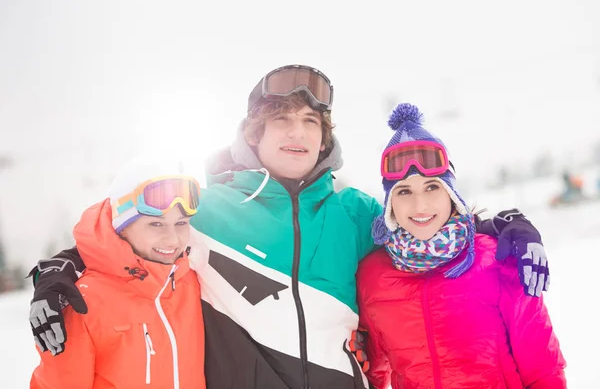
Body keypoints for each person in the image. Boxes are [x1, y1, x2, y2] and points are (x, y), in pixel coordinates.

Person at [27, 65, 550, 389]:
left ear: (325, 138)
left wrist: (505, 225)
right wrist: (59, 269)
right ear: (254, 133)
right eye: (282, 119)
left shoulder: (357, 212)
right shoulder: (206, 210)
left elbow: (424, 217)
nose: (297, 133)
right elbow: (128, 225)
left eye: (310, 122)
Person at [356, 103, 566, 388]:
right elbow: (374, 374)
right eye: (404, 192)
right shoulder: (373, 277)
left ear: (451, 195)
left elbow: (544, 369)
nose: (420, 205)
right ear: (390, 205)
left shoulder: (497, 259)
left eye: (432, 187)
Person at [30, 155, 206, 389]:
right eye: (156, 224)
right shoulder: (84, 302)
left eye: (181, 223)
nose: (172, 239)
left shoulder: (194, 281)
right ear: (121, 227)